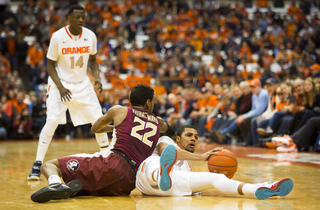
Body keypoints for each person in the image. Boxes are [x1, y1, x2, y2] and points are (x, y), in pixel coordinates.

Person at [30, 84, 176, 203]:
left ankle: (55, 183)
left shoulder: (119, 111)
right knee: (83, 188)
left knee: (49, 165)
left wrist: (115, 126)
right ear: (148, 102)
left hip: (113, 164)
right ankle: (71, 188)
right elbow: (171, 131)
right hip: (130, 181)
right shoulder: (159, 122)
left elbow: (95, 128)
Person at [27, 5, 109, 180]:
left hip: (82, 84)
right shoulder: (58, 37)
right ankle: (37, 164)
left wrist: (97, 78)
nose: (81, 20)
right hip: (60, 84)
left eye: (83, 17)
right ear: (69, 18)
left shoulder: (90, 36)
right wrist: (61, 87)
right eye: (77, 17)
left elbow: (93, 61)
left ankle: (108, 158)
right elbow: (49, 65)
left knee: (99, 119)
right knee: (52, 121)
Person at [136, 125, 294, 200]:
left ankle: (260, 188)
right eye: (189, 135)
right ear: (177, 138)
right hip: (147, 177)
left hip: (170, 189)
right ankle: (161, 175)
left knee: (216, 179)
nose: (193, 139)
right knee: (154, 163)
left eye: (196, 137)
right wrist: (200, 157)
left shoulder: (187, 168)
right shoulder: (168, 142)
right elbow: (165, 150)